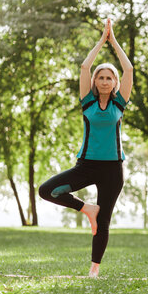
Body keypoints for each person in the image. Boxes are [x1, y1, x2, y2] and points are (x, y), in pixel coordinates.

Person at [39, 18, 133, 277]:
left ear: (115, 82)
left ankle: (94, 269)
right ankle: (86, 208)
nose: (105, 81)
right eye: (101, 77)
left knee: (103, 222)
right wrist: (100, 42)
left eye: (109, 77)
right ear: (95, 81)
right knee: (46, 190)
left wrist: (113, 43)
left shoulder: (120, 105)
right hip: (86, 166)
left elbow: (129, 70)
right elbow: (83, 66)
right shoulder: (88, 102)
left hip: (113, 169)